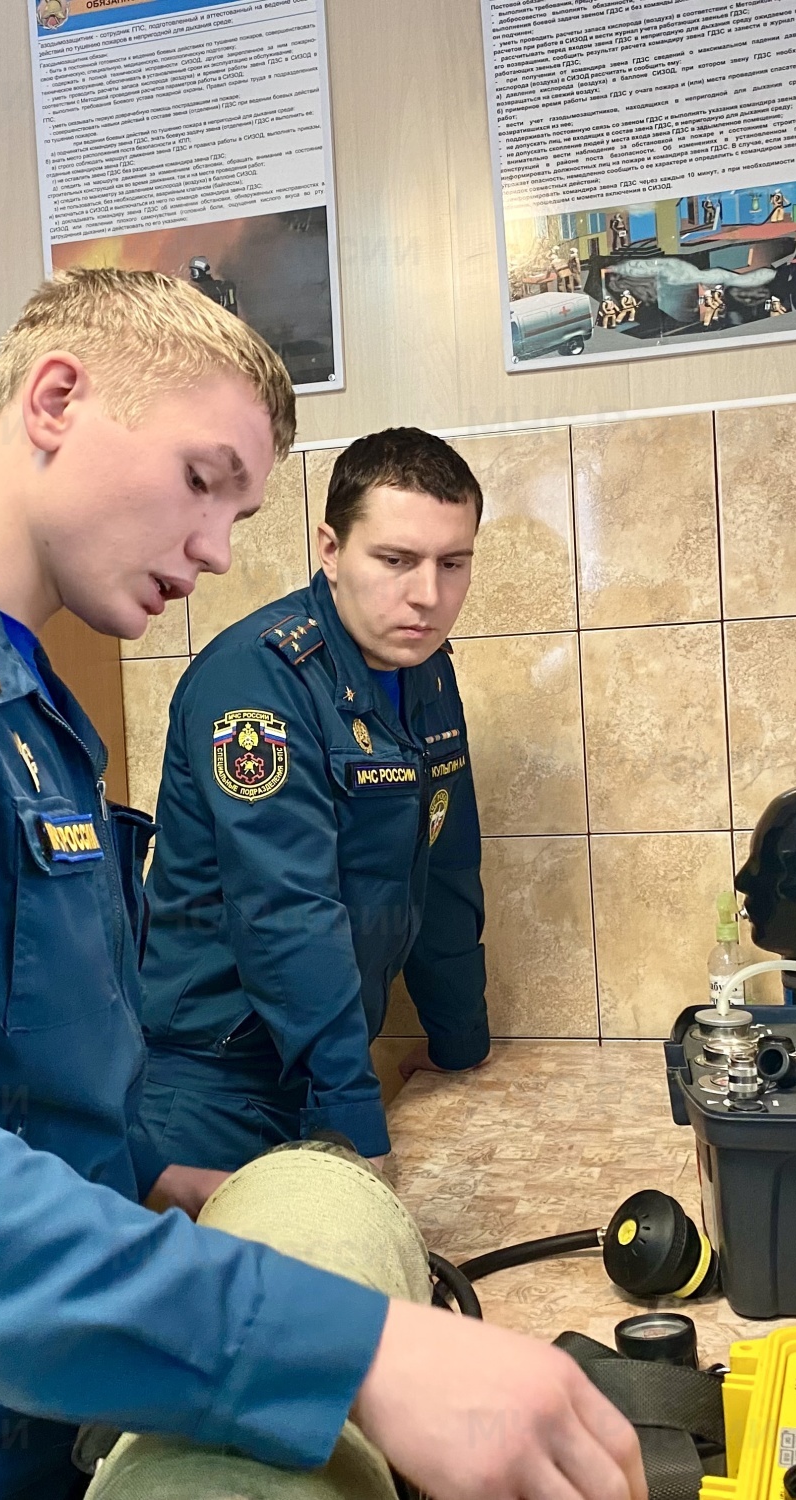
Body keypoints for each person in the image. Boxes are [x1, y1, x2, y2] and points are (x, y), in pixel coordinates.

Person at [0, 269, 642, 1500]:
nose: (217, 550)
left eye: (239, 511)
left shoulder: (20, 699)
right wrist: (350, 1353)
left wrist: (136, 1176)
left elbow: (5, 1065)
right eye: (201, 480)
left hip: (31, 1412)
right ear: (58, 400)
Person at [138, 429, 489, 1174]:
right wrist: (352, 1123)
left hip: (325, 1068)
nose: (428, 596)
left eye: (452, 563)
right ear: (330, 549)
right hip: (213, 1084)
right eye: (395, 561)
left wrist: (461, 1043)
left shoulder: (424, 671)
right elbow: (287, 911)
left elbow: (446, 866)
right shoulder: (258, 680)